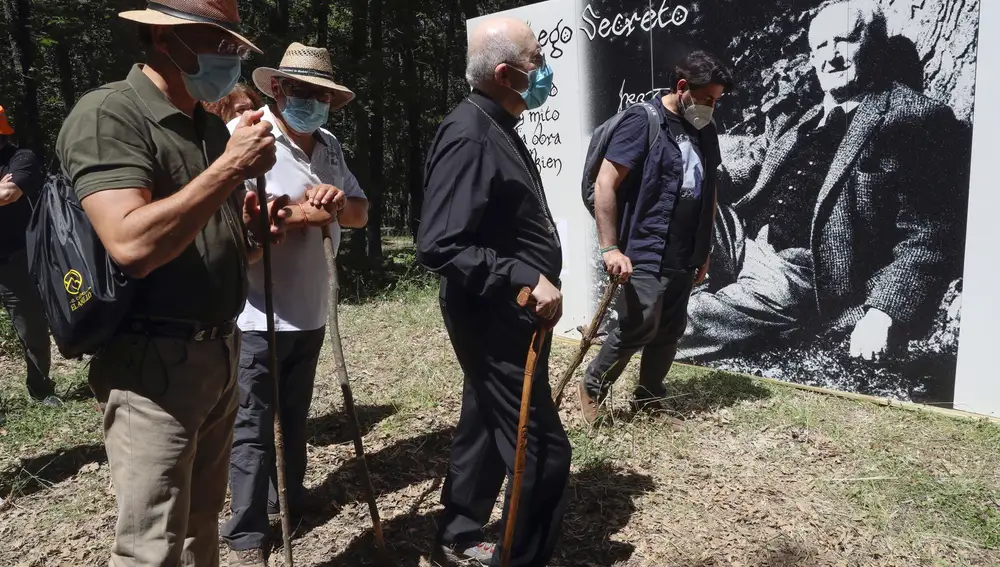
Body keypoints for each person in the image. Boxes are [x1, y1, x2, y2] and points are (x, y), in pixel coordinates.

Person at [54, 1, 287, 565]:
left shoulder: (207, 127)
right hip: (152, 364)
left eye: (234, 45)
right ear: (162, 38)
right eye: (218, 41)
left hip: (220, 351)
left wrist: (256, 235)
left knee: (198, 528)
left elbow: (201, 236)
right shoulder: (110, 113)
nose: (230, 55)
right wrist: (230, 167)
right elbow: (132, 246)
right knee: (151, 547)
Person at [678, 1, 965, 365]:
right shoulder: (803, 117)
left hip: (797, 269)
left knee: (687, 321)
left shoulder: (915, 118)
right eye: (822, 48)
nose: (832, 57)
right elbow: (746, 168)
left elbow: (929, 232)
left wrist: (883, 311)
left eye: (844, 41)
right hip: (741, 236)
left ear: (874, 44)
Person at [418, 17, 570, 567]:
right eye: (537, 58)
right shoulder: (471, 133)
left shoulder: (496, 122)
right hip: (496, 315)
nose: (544, 66)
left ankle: (457, 535)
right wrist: (523, 276)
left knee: (484, 421)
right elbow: (438, 244)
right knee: (544, 450)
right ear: (505, 73)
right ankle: (520, 555)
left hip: (514, 314)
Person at [220, 42, 369, 566]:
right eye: (303, 91)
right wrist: (307, 214)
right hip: (257, 311)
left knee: (296, 416)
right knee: (253, 424)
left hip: (310, 309)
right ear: (278, 88)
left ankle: (292, 498)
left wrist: (332, 204)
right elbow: (234, 224)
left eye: (322, 94)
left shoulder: (328, 144)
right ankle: (246, 533)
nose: (313, 102)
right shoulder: (246, 136)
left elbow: (358, 214)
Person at [578, 51, 733, 424]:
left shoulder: (704, 129)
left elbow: (709, 188)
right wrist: (610, 247)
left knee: (670, 328)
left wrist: (705, 247)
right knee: (640, 322)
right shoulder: (642, 121)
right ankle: (593, 385)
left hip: (685, 247)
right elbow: (605, 183)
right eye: (706, 98)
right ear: (682, 87)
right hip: (644, 244)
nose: (711, 107)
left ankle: (649, 399)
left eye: (717, 100)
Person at [0, 105, 60, 413]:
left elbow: (7, 193)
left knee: (32, 328)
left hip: (15, 261)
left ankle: (40, 387)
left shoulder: (21, 158)